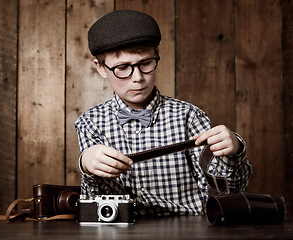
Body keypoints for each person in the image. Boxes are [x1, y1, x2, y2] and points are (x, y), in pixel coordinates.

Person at [74, 10, 252, 216]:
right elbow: (93, 206)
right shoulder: (89, 123)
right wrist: (86, 166)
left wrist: (233, 152)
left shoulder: (189, 117)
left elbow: (227, 195)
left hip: (188, 229)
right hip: (121, 230)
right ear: (101, 68)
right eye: (122, 67)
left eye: (146, 63)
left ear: (157, 53)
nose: (137, 78)